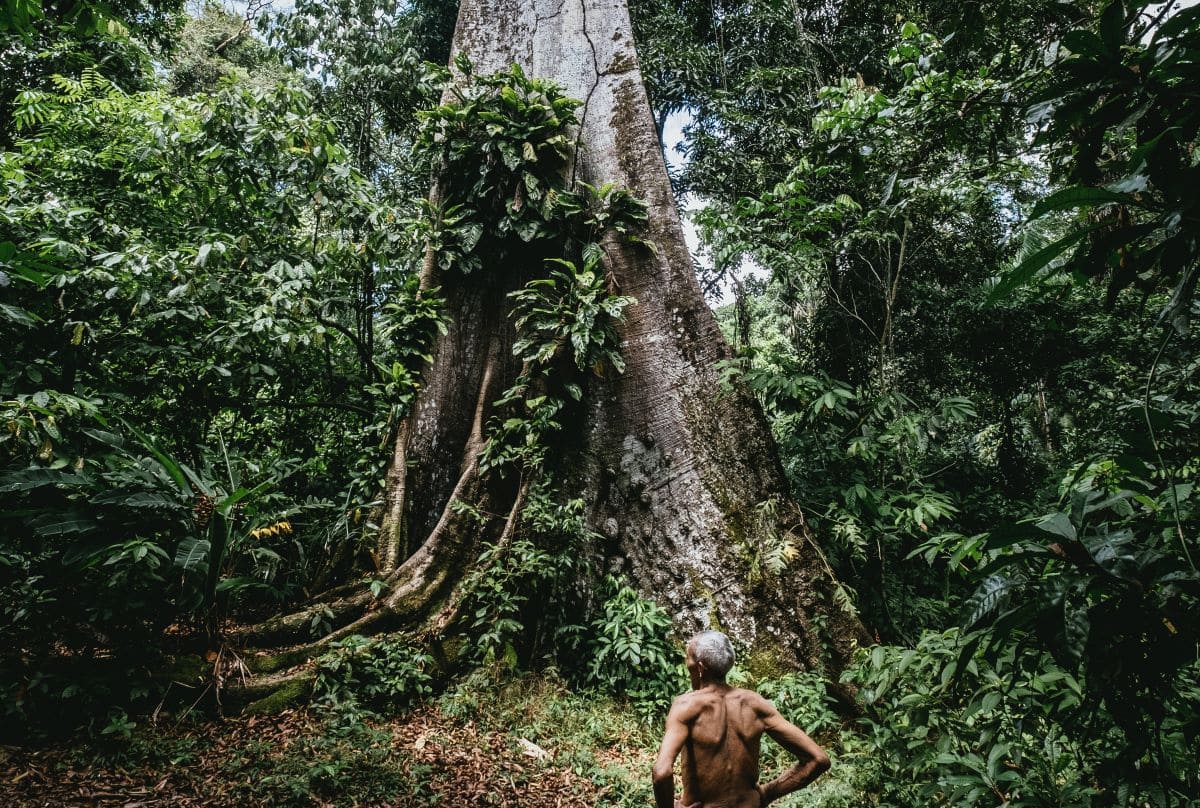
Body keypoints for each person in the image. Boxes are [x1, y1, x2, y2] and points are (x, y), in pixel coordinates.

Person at [652, 631, 830, 808]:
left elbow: (661, 773)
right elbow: (818, 759)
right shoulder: (754, 703)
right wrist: (768, 793)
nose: (686, 664)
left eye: (688, 659)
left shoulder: (686, 706)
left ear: (700, 668)